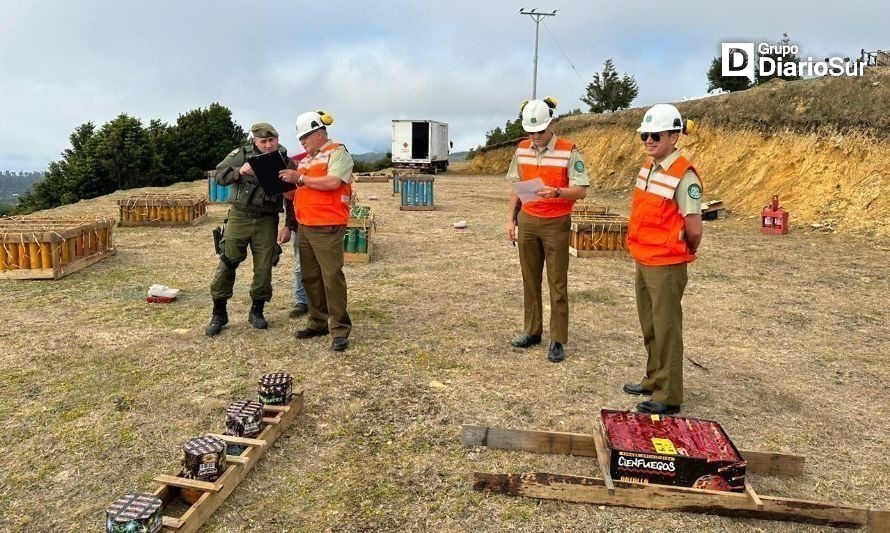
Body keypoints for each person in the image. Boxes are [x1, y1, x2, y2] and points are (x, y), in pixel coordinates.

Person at [623, 104, 703, 415]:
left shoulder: (684, 176)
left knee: (667, 327)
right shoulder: (649, 168)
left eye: (655, 134)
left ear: (674, 136)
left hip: (667, 264)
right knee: (650, 324)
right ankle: (653, 378)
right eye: (645, 134)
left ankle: (669, 394)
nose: (648, 140)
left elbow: (693, 227)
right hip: (644, 258)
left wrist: (685, 251)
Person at [505, 97, 590, 363]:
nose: (536, 137)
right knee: (530, 279)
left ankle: (557, 339)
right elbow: (516, 187)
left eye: (540, 131)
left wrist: (557, 192)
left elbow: (582, 191)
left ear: (551, 124)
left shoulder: (569, 150)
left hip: (556, 222)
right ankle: (532, 331)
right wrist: (511, 219)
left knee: (557, 282)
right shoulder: (521, 149)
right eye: (530, 132)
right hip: (528, 220)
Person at [206, 122, 297, 336]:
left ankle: (257, 311)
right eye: (263, 141)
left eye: (271, 141)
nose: (267, 145)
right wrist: (240, 171)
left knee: (264, 266)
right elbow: (219, 176)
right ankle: (219, 312)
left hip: (267, 219)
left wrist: (288, 225)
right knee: (228, 261)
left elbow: (292, 197)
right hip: (240, 216)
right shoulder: (241, 154)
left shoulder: (286, 160)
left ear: (277, 139)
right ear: (254, 141)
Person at [280, 110, 353, 352]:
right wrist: (281, 185)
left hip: (328, 226)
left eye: (305, 137)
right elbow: (297, 192)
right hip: (306, 226)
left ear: (319, 134)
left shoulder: (338, 152)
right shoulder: (306, 160)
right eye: (301, 138)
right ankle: (317, 322)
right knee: (310, 277)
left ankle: (340, 329)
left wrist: (299, 179)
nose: (302, 142)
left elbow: (333, 182)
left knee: (331, 277)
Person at [285, 151, 309, 319]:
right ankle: (302, 301)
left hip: (321, 222)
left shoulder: (331, 157)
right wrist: (288, 225)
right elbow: (290, 200)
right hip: (299, 223)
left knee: (324, 265)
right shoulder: (296, 161)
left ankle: (321, 301)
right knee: (301, 264)